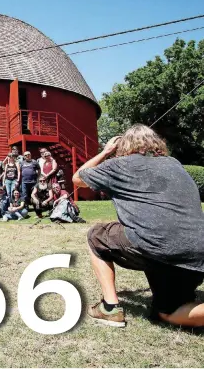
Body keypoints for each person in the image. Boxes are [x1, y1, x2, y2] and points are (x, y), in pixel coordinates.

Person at [72, 124, 204, 328]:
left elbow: (78, 178)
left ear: (123, 146)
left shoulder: (118, 165)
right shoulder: (174, 164)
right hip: (197, 251)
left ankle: (110, 308)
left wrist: (106, 152)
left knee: (96, 235)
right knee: (168, 312)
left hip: (158, 245)